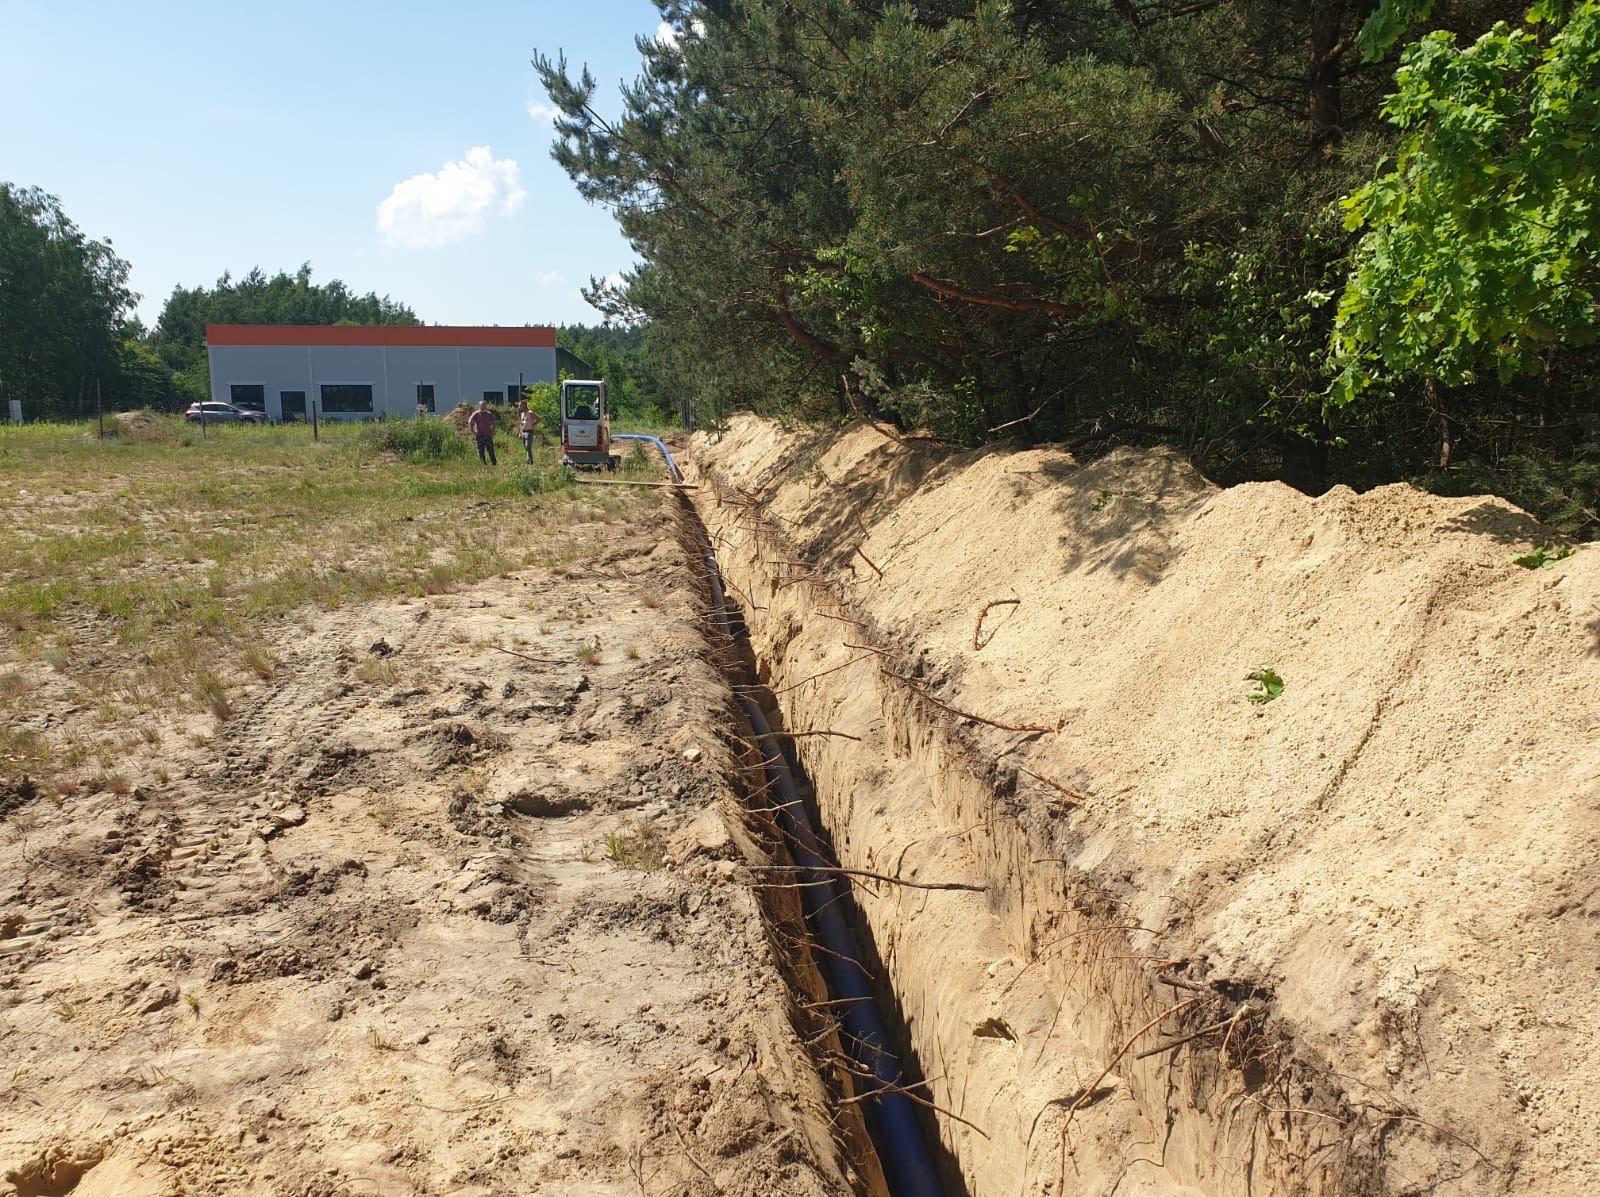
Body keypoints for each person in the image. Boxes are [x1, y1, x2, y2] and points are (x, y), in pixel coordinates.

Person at [468, 399, 497, 465]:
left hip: (488, 435)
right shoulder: (476, 414)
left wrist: (492, 432)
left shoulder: (489, 414)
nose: (483, 406)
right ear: (479, 406)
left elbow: (494, 423)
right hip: (479, 435)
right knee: (480, 450)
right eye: (482, 405)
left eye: (484, 405)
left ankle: (494, 463)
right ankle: (483, 463)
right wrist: (473, 432)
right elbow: (470, 422)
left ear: (486, 406)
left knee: (490, 450)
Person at [517, 399, 541, 463]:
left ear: (524, 405)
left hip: (529, 431)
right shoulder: (522, 414)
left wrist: (534, 424)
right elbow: (521, 424)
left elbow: (538, 418)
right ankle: (528, 458)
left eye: (520, 406)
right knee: (525, 446)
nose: (519, 407)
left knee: (528, 446)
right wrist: (520, 432)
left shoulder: (530, 412)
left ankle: (530, 461)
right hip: (523, 432)